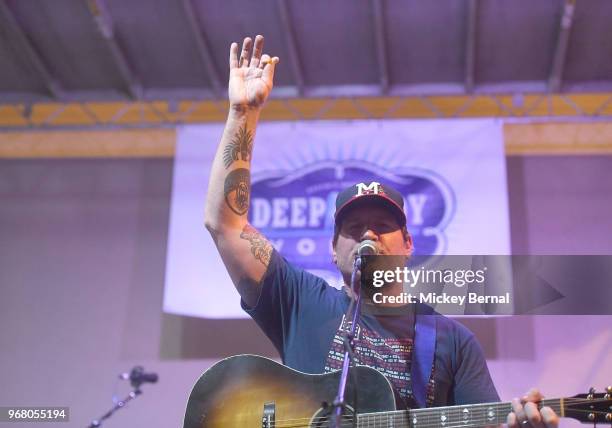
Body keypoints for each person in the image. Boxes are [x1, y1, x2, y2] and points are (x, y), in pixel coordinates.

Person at [204, 34, 559, 428]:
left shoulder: (451, 342)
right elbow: (225, 223)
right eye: (354, 228)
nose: (369, 234)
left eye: (384, 226)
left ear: (408, 244)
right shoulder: (300, 301)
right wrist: (242, 112)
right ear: (333, 250)